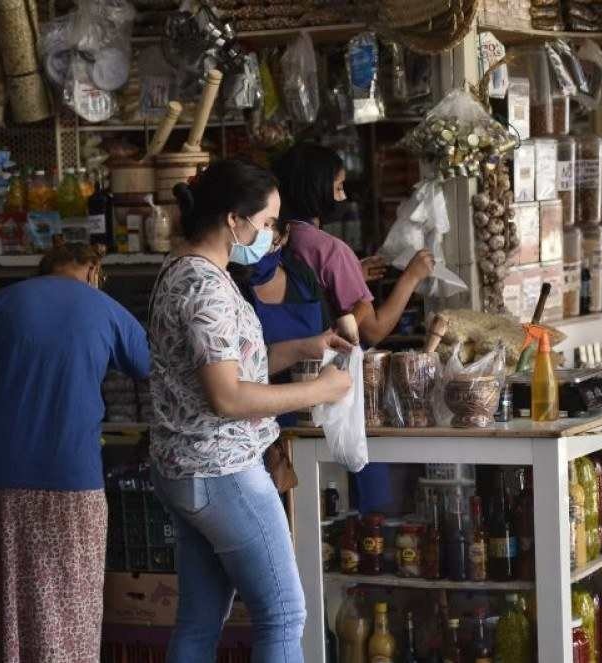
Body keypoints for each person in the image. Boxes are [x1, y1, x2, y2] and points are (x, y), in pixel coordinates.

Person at [147, 159, 352, 662]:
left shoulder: (183, 271)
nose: (270, 237)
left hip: (186, 469)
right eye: (264, 225)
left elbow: (227, 369)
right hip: (222, 470)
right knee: (283, 614)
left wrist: (304, 348)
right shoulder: (207, 288)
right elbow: (229, 396)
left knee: (199, 620)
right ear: (233, 220)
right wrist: (318, 391)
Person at [0, 241, 151, 662]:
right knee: (69, 601)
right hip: (72, 484)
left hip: (0, 483)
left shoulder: (3, 302)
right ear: (92, 270)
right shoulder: (106, 309)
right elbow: (147, 367)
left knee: (4, 603)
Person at [273, 142, 435, 346]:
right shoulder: (331, 251)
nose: (344, 197)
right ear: (317, 190)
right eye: (338, 188)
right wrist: (412, 277)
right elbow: (373, 331)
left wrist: (352, 273)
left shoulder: (280, 237)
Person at [228, 214, 333, 426]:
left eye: (269, 226)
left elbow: (328, 338)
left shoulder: (301, 275)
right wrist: (301, 349)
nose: (259, 233)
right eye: (257, 223)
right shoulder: (227, 287)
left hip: (312, 416)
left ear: (284, 235)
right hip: (253, 420)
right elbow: (233, 376)